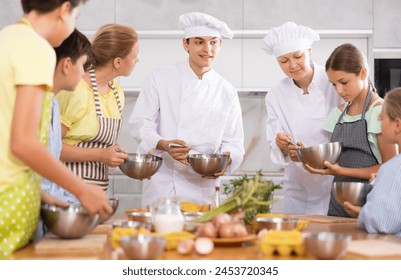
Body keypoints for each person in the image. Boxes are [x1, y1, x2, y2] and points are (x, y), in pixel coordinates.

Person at [0, 0, 111, 258]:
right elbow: (23, 143)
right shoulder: (37, 48)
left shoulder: (7, 38)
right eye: (77, 14)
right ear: (64, 9)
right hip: (9, 202)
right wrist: (82, 189)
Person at [129, 12, 244, 206]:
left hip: (204, 185)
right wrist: (164, 144)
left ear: (220, 45)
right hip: (164, 183)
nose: (207, 49)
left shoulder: (227, 91)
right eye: (199, 42)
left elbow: (233, 141)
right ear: (186, 44)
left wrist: (226, 161)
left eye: (213, 42)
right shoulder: (160, 78)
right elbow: (140, 124)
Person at [304, 43, 397, 217]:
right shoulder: (338, 114)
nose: (339, 90)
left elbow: (391, 169)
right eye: (333, 84)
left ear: (362, 73)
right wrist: (302, 153)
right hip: (338, 204)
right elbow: (332, 157)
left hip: (369, 204)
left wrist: (341, 171)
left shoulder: (379, 112)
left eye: (344, 82)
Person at [262, 22, 343, 215]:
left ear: (309, 51)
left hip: (333, 180)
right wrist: (282, 145)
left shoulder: (332, 81)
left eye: (298, 56)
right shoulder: (275, 94)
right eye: (283, 61)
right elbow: (275, 141)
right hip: (297, 185)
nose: (292, 65)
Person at [56, 24, 138, 204]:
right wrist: (101, 155)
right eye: (134, 56)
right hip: (66, 192)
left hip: (97, 192)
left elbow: (97, 140)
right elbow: (52, 148)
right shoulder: (76, 89)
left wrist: (115, 152)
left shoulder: (116, 92)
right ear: (118, 62)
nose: (137, 61)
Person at [34, 29, 92, 240]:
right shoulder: (31, 103)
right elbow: (19, 171)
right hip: (25, 214)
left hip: (45, 216)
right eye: (83, 65)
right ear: (67, 64)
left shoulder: (54, 104)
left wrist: (73, 199)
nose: (85, 74)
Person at [343, 87, 401, 236]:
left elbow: (382, 223)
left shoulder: (393, 169)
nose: (379, 120)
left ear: (397, 125)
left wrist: (362, 213)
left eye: (382, 117)